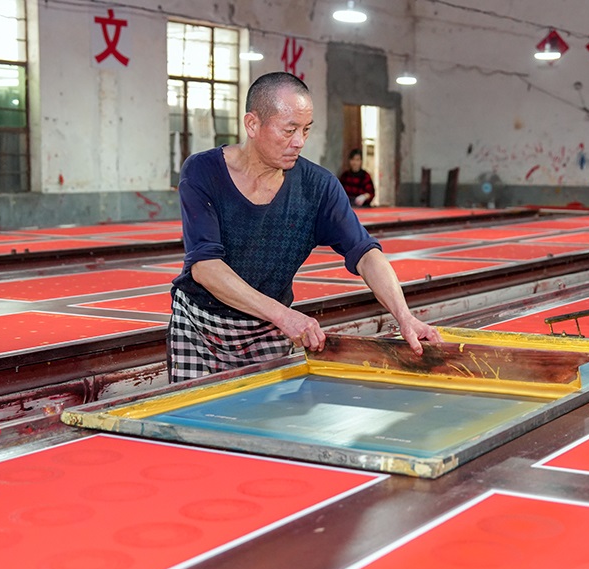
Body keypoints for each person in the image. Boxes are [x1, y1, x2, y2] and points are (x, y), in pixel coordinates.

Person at [167, 72, 441, 382]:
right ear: (252, 124)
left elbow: (366, 253)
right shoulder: (204, 171)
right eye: (289, 130)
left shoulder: (318, 188)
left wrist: (405, 317)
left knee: (262, 411)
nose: (299, 142)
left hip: (266, 330)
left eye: (306, 129)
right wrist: (284, 316)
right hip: (199, 326)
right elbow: (205, 267)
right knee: (186, 410)